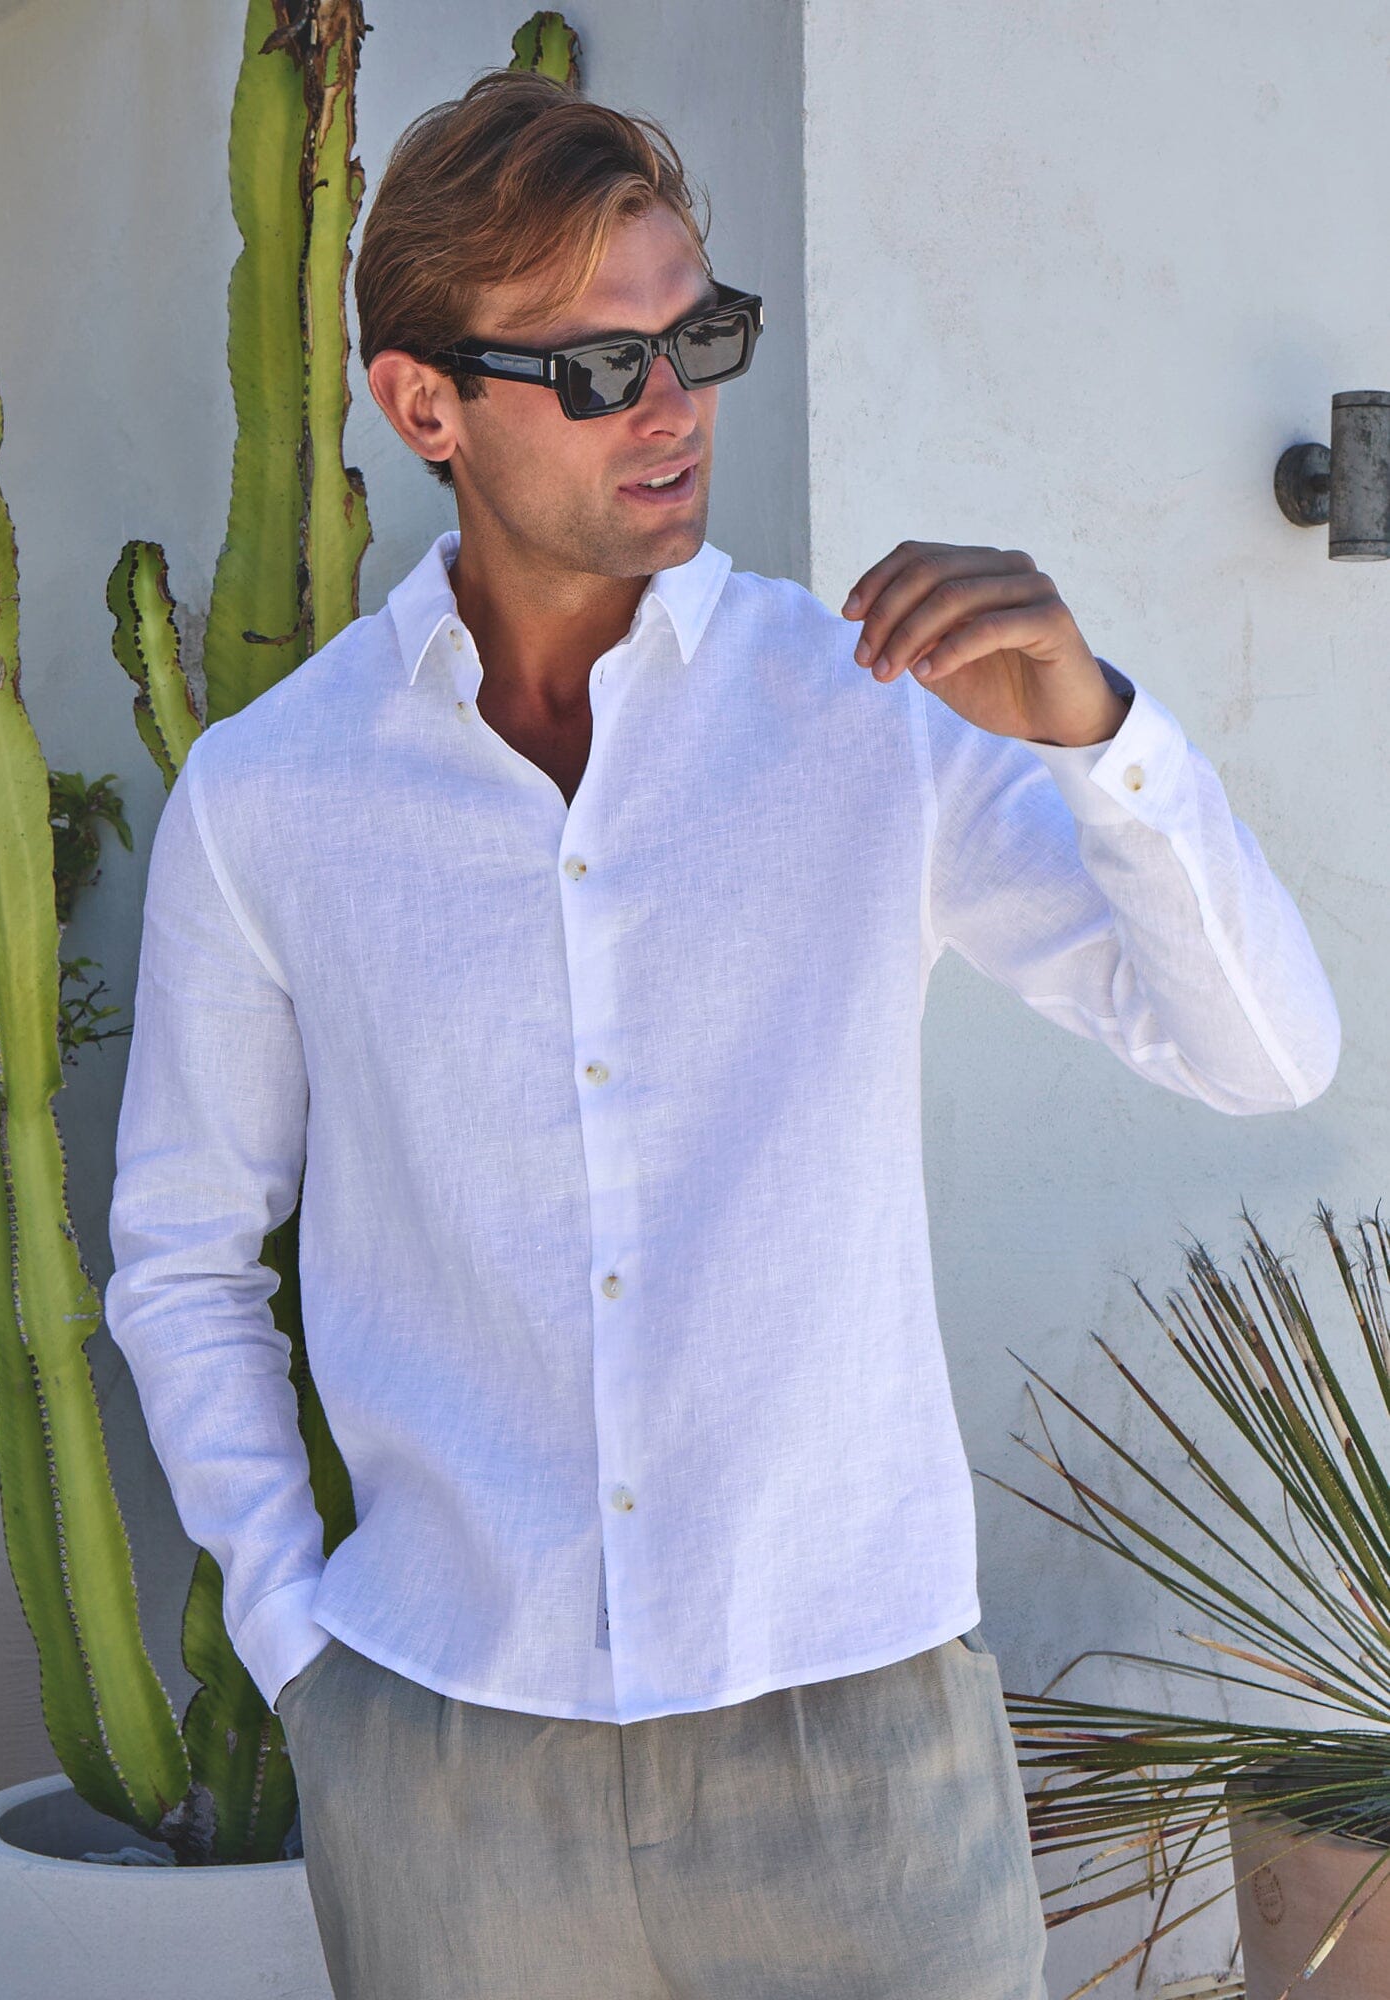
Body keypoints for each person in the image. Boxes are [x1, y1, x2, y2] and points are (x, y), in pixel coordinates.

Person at [104, 67, 1341, 2000]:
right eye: (602, 368)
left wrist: (1106, 738)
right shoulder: (274, 797)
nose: (673, 406)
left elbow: (1265, 1056)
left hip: (861, 1757)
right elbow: (183, 1256)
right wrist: (308, 1661)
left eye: (701, 337)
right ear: (423, 405)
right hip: (451, 1764)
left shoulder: (872, 711)